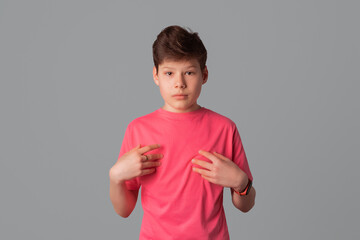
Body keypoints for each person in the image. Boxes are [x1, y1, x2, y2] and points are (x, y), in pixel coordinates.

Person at [109, 25, 256, 240]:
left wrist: (240, 182)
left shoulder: (224, 128)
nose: (179, 83)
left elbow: (246, 205)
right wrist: (115, 177)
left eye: (189, 72)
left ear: (204, 74)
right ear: (156, 75)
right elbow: (124, 210)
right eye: (169, 73)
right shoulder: (138, 129)